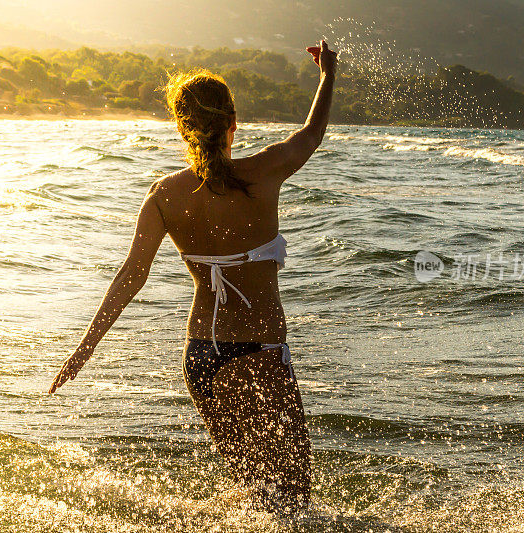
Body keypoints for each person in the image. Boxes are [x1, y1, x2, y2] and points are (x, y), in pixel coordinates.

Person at [49, 40, 337, 513]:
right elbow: (312, 133)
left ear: (182, 129)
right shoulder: (262, 174)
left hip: (200, 357)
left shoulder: (165, 194)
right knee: (295, 501)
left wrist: (85, 348)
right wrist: (328, 75)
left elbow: (131, 276)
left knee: (256, 495)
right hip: (258, 350)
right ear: (233, 124)